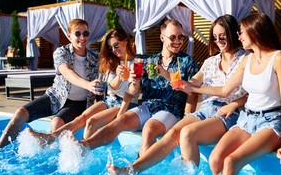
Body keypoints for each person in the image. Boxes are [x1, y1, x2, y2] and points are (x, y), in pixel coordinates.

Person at [107, 14, 248, 175]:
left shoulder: (245, 59)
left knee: (186, 133)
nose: (218, 41)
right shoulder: (211, 62)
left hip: (229, 112)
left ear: (231, 34)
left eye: (222, 36)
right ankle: (132, 169)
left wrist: (234, 103)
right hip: (208, 109)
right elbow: (186, 85)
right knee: (173, 133)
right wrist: (166, 74)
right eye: (215, 37)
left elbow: (228, 91)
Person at [67, 19, 199, 158]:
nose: (177, 41)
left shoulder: (187, 62)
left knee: (149, 129)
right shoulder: (149, 61)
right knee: (120, 121)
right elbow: (133, 92)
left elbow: (193, 92)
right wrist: (135, 82)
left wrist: (186, 119)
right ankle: (85, 145)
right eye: (173, 37)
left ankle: (136, 169)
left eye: (180, 37)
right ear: (162, 37)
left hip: (171, 109)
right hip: (148, 106)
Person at [207, 13, 281, 175]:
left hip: (270, 123)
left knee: (231, 161)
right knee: (215, 159)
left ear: (254, 31)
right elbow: (224, 90)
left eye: (241, 33)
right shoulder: (247, 59)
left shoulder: (278, 58)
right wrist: (189, 86)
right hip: (246, 119)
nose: (238, 37)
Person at [0, 18, 99, 149]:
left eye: (86, 33)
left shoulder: (95, 57)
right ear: (69, 36)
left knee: (57, 122)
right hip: (56, 96)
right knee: (20, 113)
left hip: (78, 103)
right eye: (77, 34)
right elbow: (66, 72)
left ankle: (53, 159)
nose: (82, 37)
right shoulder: (61, 52)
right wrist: (88, 85)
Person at [27, 27, 139, 143]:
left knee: (91, 122)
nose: (114, 50)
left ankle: (84, 149)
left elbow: (132, 93)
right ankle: (51, 136)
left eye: (116, 45)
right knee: (81, 118)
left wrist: (120, 116)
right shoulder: (113, 61)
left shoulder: (137, 63)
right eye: (111, 48)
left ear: (125, 40)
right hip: (110, 100)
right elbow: (111, 86)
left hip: (125, 104)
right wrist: (119, 77)